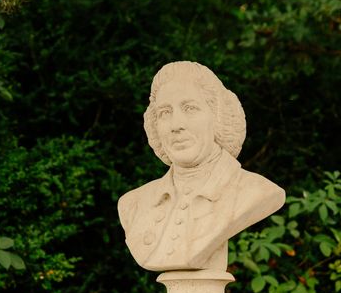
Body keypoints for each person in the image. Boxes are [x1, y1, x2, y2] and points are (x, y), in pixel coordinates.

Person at [118, 61, 285, 272]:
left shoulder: (256, 191)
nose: (176, 125)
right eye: (164, 112)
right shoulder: (132, 204)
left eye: (190, 108)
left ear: (217, 116)